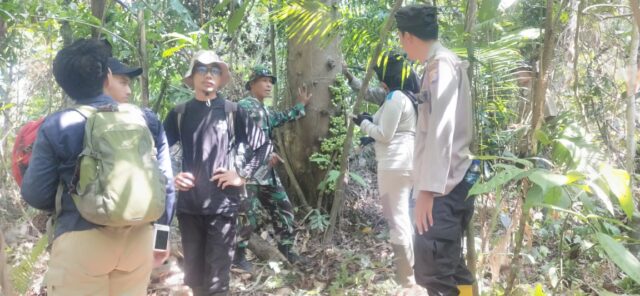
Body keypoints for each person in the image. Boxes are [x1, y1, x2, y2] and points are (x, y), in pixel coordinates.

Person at [21, 39, 175, 295]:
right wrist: (161, 239)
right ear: (108, 74)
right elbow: (166, 185)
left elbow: (36, 193)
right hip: (138, 240)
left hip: (80, 241)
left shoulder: (56, 125)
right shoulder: (146, 119)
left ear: (64, 83)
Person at [163, 50, 269, 296]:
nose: (207, 75)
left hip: (223, 208)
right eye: (201, 69)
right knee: (195, 279)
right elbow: (157, 150)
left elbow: (263, 146)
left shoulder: (232, 111)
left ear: (221, 78)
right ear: (193, 75)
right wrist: (172, 176)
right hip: (189, 208)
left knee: (218, 283)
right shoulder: (179, 113)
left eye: (214, 70)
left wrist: (241, 175)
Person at [395, 5, 478, 296]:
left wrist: (427, 192)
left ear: (407, 36)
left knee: (435, 272)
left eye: (400, 39)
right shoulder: (440, 64)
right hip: (451, 180)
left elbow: (441, 131)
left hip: (444, 185)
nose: (401, 46)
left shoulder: (442, 66)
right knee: (451, 264)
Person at [351, 53, 420, 291]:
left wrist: (363, 123)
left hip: (394, 163)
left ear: (385, 82)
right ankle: (410, 269)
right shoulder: (408, 98)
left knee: (397, 219)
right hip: (406, 162)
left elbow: (384, 134)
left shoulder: (394, 96)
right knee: (402, 217)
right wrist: (369, 122)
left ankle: (406, 276)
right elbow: (389, 128)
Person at [233, 65, 311, 271]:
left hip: (266, 174)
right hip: (247, 173)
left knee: (284, 210)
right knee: (246, 216)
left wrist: (300, 106)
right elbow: (237, 139)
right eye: (263, 80)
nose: (268, 85)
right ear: (251, 84)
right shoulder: (243, 107)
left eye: (270, 81)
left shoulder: (264, 110)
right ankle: (238, 257)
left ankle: (287, 251)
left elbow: (280, 118)